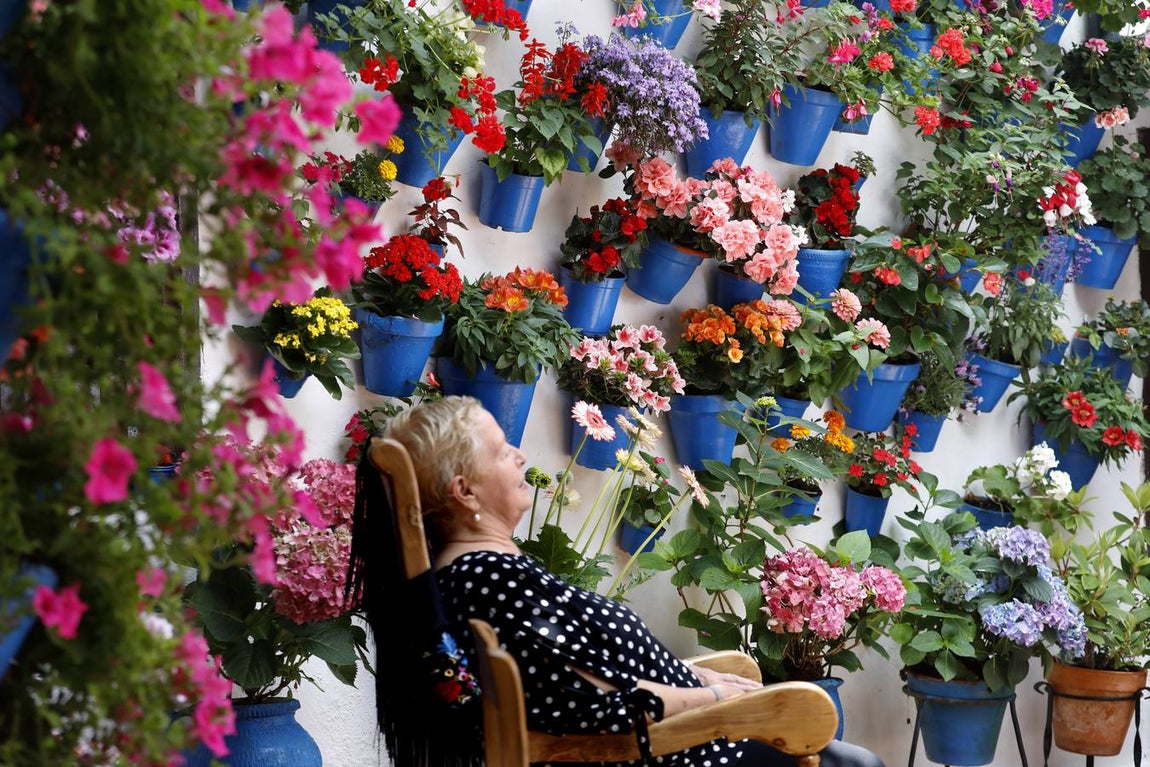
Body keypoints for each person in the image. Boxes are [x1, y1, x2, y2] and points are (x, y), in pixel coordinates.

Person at [349, 396, 885, 767]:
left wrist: (709, 689)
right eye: (500, 449)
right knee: (852, 759)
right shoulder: (493, 581)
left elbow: (580, 683)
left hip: (681, 741)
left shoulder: (483, 575)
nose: (518, 453)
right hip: (675, 754)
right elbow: (589, 701)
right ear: (465, 492)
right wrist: (717, 698)